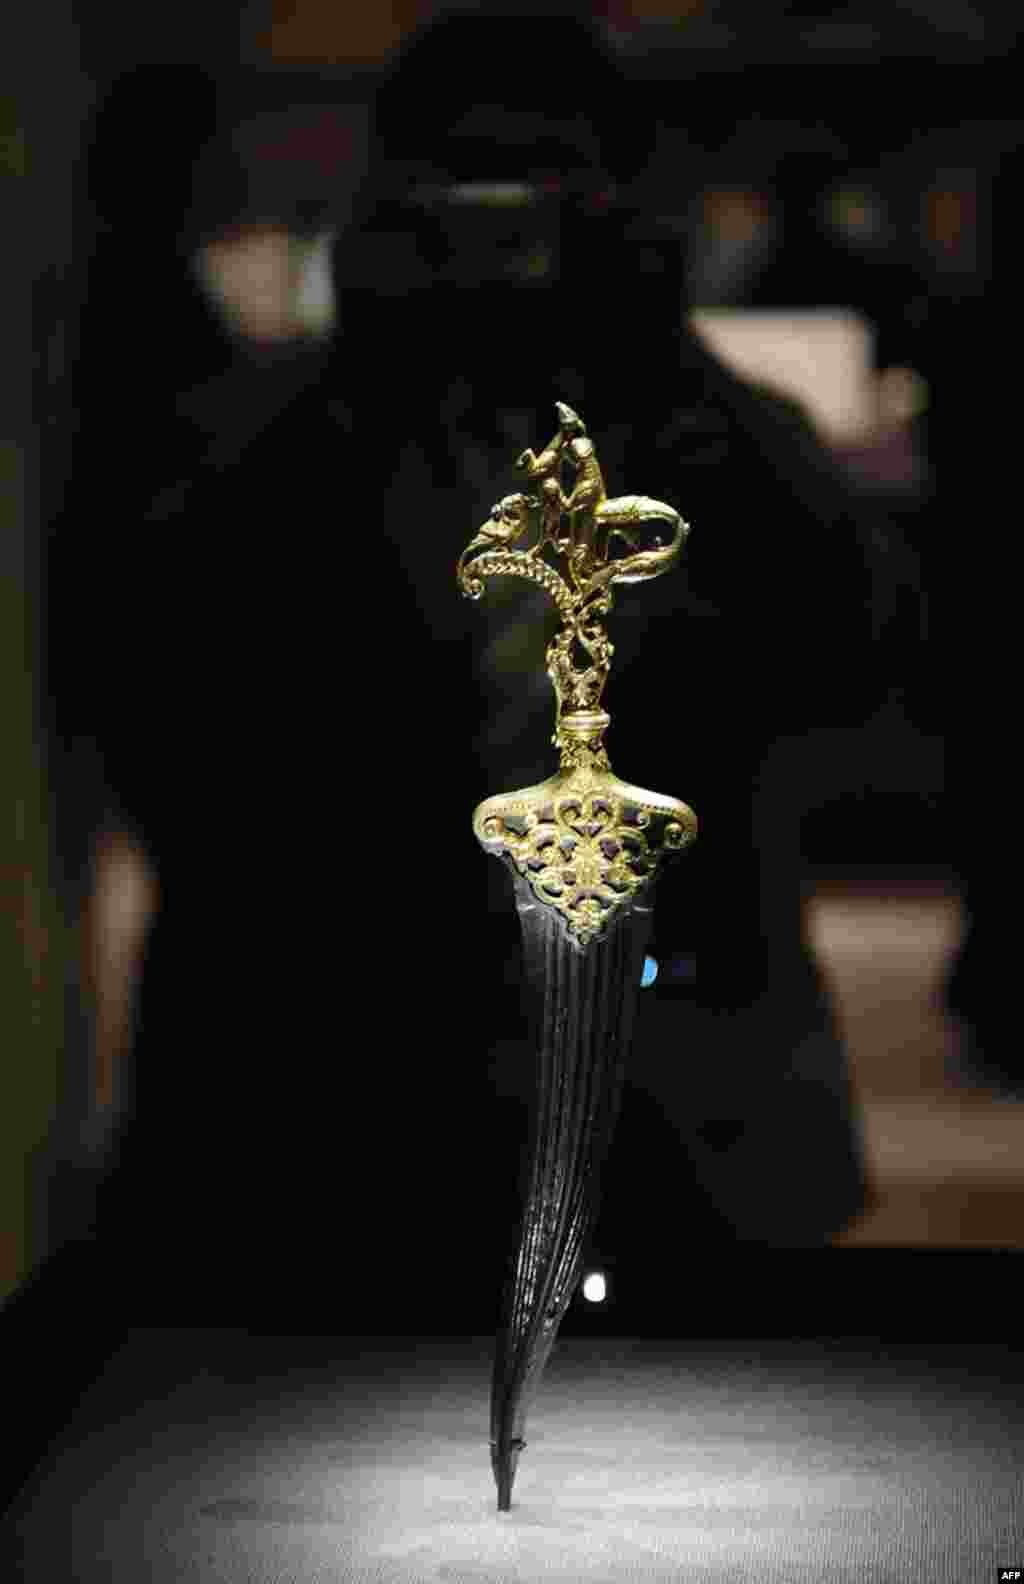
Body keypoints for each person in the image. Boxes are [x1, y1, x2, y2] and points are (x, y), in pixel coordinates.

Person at [46, 10, 935, 1337]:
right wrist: (359, 368)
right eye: (459, 199)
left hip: (677, 1116)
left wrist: (669, 352)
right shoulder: (265, 456)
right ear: (384, 212)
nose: (504, 246)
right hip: (325, 1124)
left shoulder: (710, 441)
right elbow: (154, 723)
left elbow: (861, 661)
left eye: (545, 199)